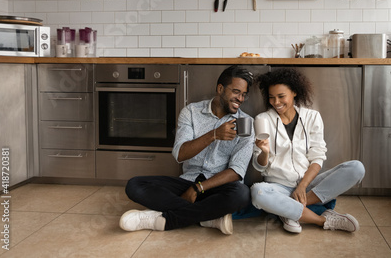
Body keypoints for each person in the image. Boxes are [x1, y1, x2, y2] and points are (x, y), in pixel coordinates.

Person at [119, 65, 255, 235]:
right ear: (220, 89)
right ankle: (210, 217)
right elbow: (180, 154)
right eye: (236, 92)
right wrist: (213, 134)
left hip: (217, 187)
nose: (240, 98)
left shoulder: (246, 123)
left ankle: (161, 219)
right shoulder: (191, 112)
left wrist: (198, 188)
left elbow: (237, 171)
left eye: (243, 94)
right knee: (135, 185)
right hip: (186, 182)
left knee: (241, 193)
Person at [250, 68, 365, 234]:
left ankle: (287, 209)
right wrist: (264, 152)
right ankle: (323, 220)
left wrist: (302, 186)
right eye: (271, 97)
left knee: (356, 168)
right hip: (277, 186)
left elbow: (317, 157)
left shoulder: (312, 117)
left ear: (294, 92)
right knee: (258, 192)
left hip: (309, 184)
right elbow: (259, 166)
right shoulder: (262, 119)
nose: (276, 102)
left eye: (281, 96)